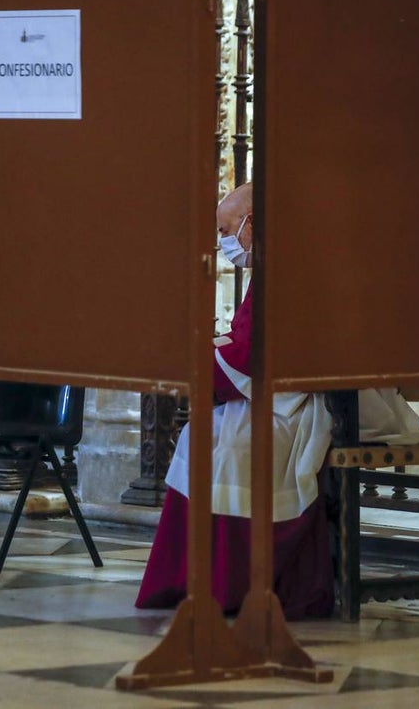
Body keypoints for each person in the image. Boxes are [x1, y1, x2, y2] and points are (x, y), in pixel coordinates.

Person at [135, 183, 337, 619]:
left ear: (253, 223)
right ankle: (193, 579)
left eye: (226, 230)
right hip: (272, 397)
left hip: (298, 404)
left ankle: (236, 583)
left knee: (233, 450)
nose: (223, 241)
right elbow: (245, 339)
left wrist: (199, 360)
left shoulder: (290, 269)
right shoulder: (270, 268)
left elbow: (255, 352)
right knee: (199, 436)